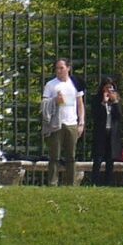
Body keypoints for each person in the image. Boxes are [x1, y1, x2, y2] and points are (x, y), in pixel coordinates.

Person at [41, 58, 83, 186]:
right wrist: (55, 100)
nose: (59, 71)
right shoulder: (51, 84)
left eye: (61, 68)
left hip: (72, 122)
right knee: (55, 155)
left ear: (68, 68)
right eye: (57, 68)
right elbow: (44, 103)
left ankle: (70, 183)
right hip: (57, 123)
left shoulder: (75, 83)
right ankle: (52, 183)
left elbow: (80, 104)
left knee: (71, 156)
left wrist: (81, 122)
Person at [85, 79, 123, 185]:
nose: (109, 90)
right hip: (101, 133)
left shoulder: (116, 101)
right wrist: (103, 103)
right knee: (98, 159)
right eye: (107, 88)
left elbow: (119, 116)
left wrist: (115, 102)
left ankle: (108, 182)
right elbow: (96, 116)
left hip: (112, 133)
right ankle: (95, 182)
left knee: (110, 160)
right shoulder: (97, 100)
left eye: (111, 88)